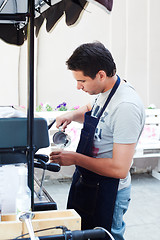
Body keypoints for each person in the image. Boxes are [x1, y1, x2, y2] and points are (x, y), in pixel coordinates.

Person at [49, 42, 145, 240]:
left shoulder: (126, 106)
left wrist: (75, 158)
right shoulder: (104, 92)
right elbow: (93, 110)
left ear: (101, 75)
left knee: (106, 237)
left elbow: (119, 169)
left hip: (109, 191)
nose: (78, 86)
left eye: (82, 81)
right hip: (90, 182)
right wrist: (71, 115)